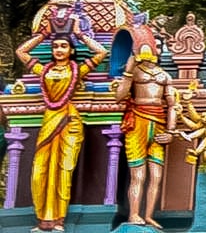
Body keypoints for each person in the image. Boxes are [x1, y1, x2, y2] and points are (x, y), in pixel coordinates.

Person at [16, 12, 108, 232]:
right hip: (49, 121)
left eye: (63, 46)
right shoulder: (43, 70)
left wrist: (79, 34)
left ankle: (58, 220)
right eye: (55, 46)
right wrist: (43, 35)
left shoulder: (77, 69)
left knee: (64, 170)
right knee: (40, 171)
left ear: (71, 50)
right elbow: (21, 51)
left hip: (69, 123)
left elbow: (102, 52)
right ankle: (42, 220)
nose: (58, 49)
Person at [115, 21, 176, 228]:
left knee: (156, 176)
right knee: (138, 175)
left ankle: (149, 215)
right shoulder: (135, 72)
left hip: (158, 123)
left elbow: (173, 106)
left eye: (159, 46)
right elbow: (119, 96)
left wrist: (171, 131)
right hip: (138, 123)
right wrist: (129, 71)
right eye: (153, 45)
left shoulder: (164, 76)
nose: (155, 50)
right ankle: (133, 214)